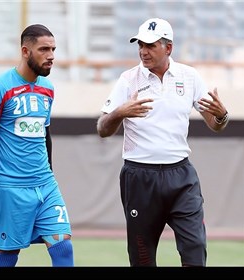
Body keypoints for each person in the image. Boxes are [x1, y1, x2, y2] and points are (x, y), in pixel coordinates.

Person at [96, 18, 229, 267]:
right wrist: (119, 113)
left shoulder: (189, 76)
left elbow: (215, 124)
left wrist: (222, 115)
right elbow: (103, 128)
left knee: (195, 249)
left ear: (168, 48)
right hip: (139, 176)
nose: (143, 51)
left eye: (150, 45)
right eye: (140, 45)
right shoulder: (128, 80)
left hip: (181, 176)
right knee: (142, 257)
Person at [0, 24, 74, 267]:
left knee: (63, 246)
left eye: (53, 49)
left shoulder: (48, 89)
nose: (51, 55)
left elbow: (44, 133)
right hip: (9, 187)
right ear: (25, 51)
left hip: (45, 185)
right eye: (44, 49)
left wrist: (49, 172)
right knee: (7, 256)